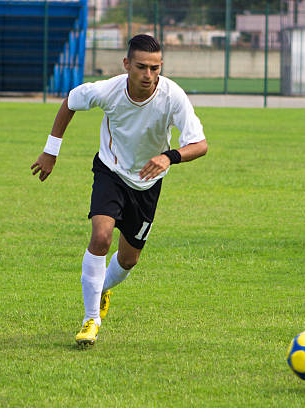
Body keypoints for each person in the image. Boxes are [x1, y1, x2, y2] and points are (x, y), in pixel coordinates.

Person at [31, 34, 207, 346]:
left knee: (128, 260)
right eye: (141, 67)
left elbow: (200, 144)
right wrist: (51, 150)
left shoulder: (173, 96)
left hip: (147, 183)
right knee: (101, 237)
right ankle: (90, 320)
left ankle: (103, 289)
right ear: (127, 64)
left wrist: (170, 156)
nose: (149, 75)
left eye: (155, 68)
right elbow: (71, 101)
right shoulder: (107, 90)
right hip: (110, 172)